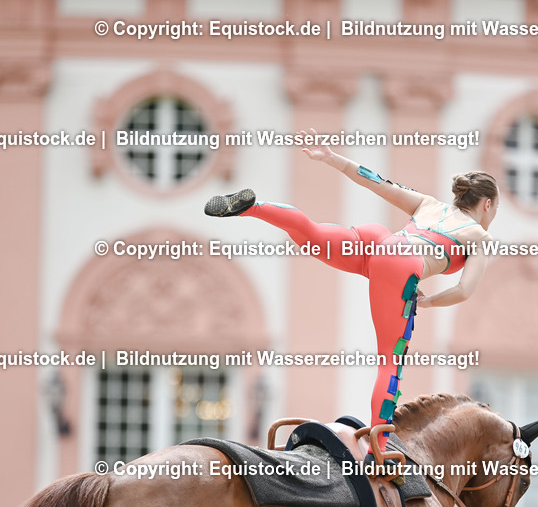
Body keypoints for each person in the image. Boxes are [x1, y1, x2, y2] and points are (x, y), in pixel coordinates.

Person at [205, 130, 498, 449]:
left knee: (312, 235)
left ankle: (254, 208)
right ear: (486, 204)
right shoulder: (479, 237)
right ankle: (379, 449)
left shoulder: (430, 205)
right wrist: (427, 303)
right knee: (390, 360)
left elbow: (375, 181)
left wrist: (332, 158)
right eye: (494, 209)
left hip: (379, 240)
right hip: (400, 264)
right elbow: (464, 290)